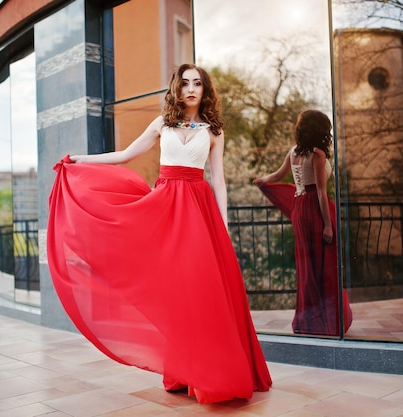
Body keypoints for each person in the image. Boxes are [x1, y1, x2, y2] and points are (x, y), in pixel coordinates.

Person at [47, 63, 272, 404]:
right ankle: (184, 371)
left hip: (199, 214)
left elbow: (219, 181)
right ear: (177, 89)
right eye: (185, 83)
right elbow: (125, 155)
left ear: (204, 89)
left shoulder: (213, 131)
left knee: (201, 291)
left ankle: (209, 374)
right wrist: (79, 160)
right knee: (176, 292)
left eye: (197, 83)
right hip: (165, 209)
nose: (191, 89)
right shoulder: (162, 124)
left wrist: (224, 225)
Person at [253, 109, 352, 336]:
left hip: (299, 210)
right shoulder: (318, 155)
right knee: (321, 265)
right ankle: (322, 322)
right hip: (315, 210)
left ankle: (306, 321)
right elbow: (319, 193)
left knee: (307, 266)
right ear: (320, 131)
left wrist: (262, 181)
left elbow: (277, 176)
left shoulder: (294, 152)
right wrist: (328, 225)